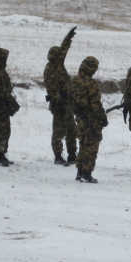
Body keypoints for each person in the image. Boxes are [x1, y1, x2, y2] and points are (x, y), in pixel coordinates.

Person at [43, 27, 78, 166]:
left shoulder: (59, 64)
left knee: (71, 129)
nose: (60, 57)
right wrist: (59, 103)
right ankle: (58, 155)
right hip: (59, 104)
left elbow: (64, 49)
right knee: (59, 130)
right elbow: (52, 90)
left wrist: (68, 38)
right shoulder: (50, 69)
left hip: (68, 102)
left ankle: (72, 154)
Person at [70, 56, 107, 183]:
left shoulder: (74, 81)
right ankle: (87, 174)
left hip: (80, 119)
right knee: (91, 147)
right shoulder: (90, 83)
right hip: (92, 120)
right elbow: (95, 104)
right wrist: (103, 118)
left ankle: (79, 172)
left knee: (82, 146)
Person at [0, 47, 20, 166]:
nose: (5, 60)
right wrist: (10, 99)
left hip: (3, 106)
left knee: (6, 130)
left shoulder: (0, 70)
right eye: (3, 57)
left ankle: (2, 154)